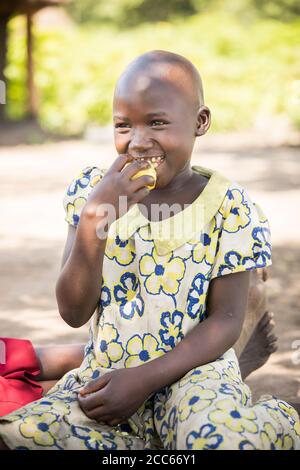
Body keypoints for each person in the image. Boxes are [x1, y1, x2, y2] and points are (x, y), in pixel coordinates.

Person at [0, 50, 299, 450]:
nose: (138, 142)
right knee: (18, 436)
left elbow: (227, 321)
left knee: (221, 441)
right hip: (108, 375)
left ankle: (275, 421)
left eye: (157, 122)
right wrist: (95, 220)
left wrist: (144, 379)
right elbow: (73, 313)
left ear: (200, 123)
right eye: (123, 126)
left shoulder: (230, 206)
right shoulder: (92, 194)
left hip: (196, 375)